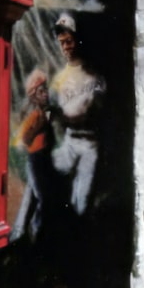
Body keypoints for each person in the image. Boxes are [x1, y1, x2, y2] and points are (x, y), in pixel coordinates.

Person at [49, 12, 106, 216]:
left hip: (89, 145)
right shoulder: (60, 78)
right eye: (62, 42)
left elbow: (91, 112)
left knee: (81, 203)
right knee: (42, 175)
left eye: (69, 41)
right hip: (69, 142)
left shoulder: (94, 76)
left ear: (78, 40)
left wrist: (60, 114)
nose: (66, 47)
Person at [10, 69, 55, 243]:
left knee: (31, 195)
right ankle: (37, 232)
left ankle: (19, 232)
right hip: (36, 159)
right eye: (41, 91)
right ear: (34, 96)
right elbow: (26, 138)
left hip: (40, 158)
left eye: (46, 90)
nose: (46, 94)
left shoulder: (44, 113)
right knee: (41, 197)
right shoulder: (38, 116)